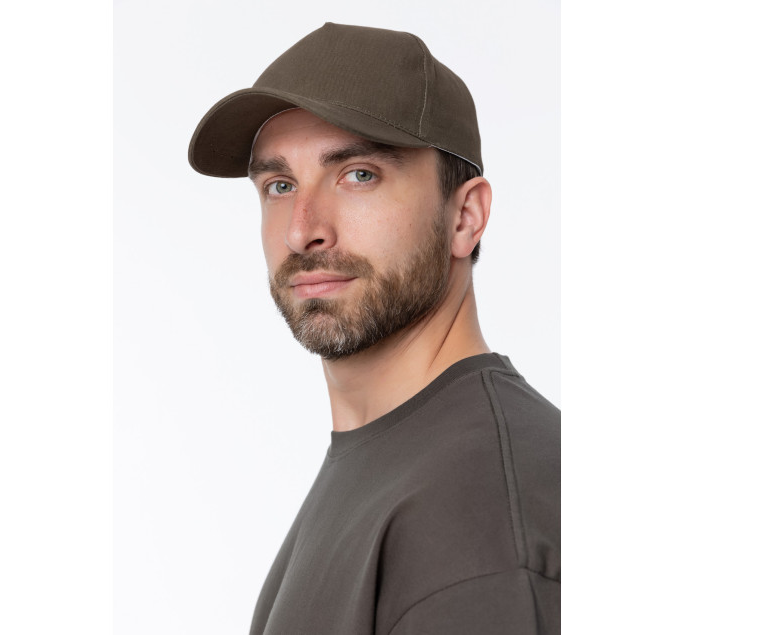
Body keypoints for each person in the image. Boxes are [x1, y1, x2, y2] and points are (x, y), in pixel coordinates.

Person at [188, 22, 559, 635]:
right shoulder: (389, 460)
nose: (302, 230)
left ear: (465, 216)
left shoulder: (480, 511)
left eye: (358, 174)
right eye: (279, 185)